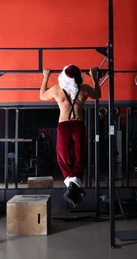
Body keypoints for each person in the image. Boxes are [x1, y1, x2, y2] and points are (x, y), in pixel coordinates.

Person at [39, 64, 101, 207]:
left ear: (64, 77)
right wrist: (95, 78)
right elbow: (98, 95)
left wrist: (46, 77)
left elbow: (42, 96)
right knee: (79, 157)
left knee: (63, 158)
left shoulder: (56, 89)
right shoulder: (84, 88)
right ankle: (74, 185)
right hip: (78, 125)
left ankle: (72, 184)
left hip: (65, 125)